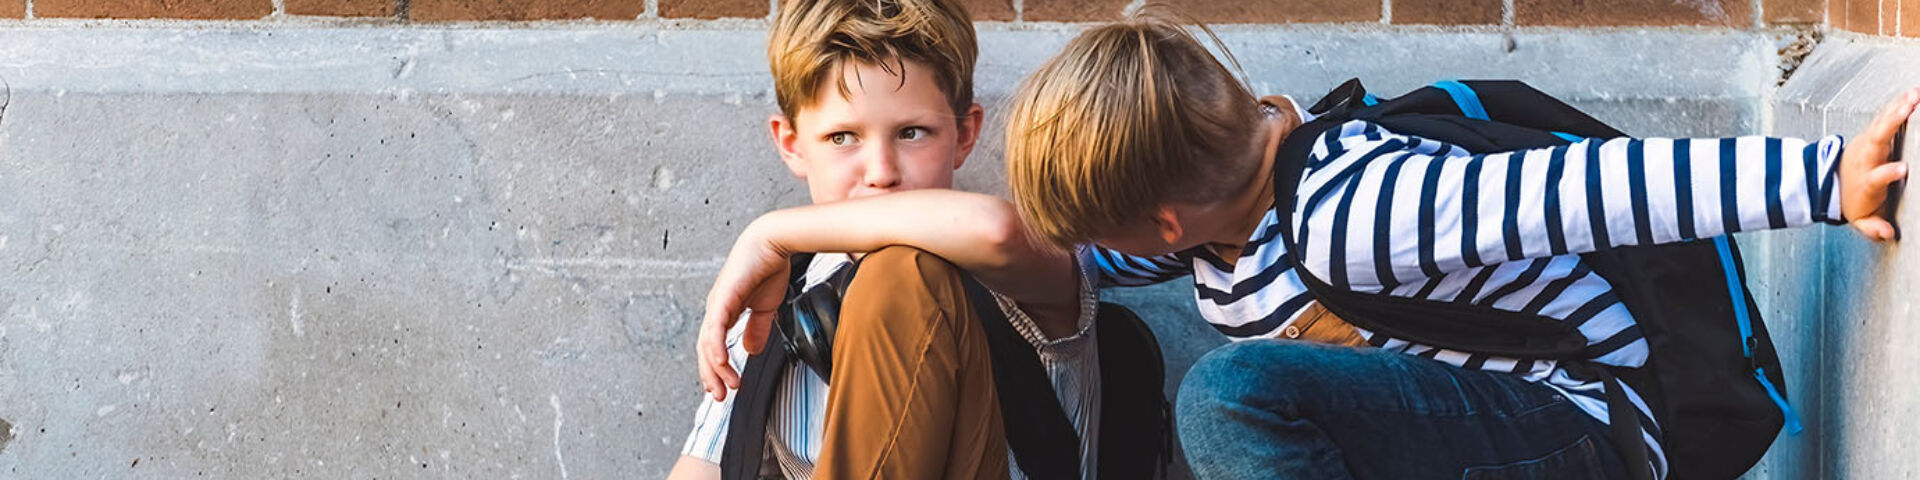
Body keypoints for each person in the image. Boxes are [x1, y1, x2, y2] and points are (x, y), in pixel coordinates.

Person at [698, 7, 1918, 479]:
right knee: (1236, 402)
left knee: (1230, 397)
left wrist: (1826, 173)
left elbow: (1596, 191)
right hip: (1483, 434)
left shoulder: (1353, 206)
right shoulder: (1210, 232)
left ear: (1161, 218)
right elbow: (1051, 250)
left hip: (1588, 432)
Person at [672, 1, 1168, 478]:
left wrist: (769, 232)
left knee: (901, 274)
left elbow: (996, 232)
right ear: (791, 144)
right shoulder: (771, 301)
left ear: (966, 133)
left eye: (912, 132)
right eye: (842, 137)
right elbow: (701, 469)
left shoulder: (1025, 273)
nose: (882, 172)